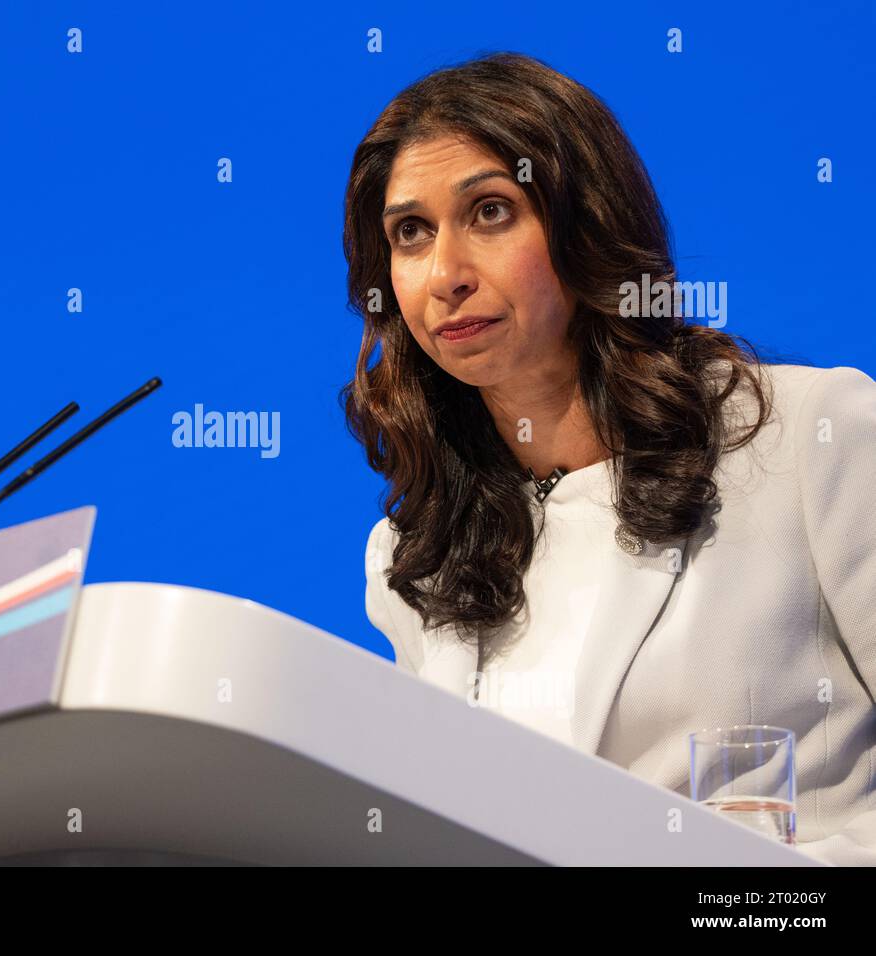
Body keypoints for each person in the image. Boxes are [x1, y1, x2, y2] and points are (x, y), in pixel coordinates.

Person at [340, 52, 876, 865]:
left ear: (587, 224)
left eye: (489, 212)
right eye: (410, 234)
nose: (444, 274)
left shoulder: (809, 435)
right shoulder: (414, 559)